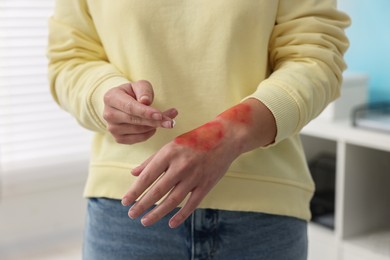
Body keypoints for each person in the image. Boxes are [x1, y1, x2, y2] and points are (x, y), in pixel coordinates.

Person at [48, 1, 350, 259]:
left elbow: (316, 59)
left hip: (261, 215)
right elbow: (71, 58)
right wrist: (102, 94)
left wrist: (228, 134)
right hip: (130, 207)